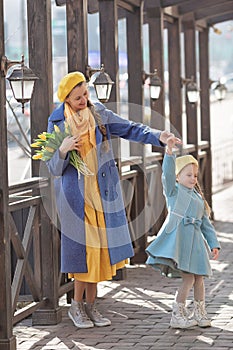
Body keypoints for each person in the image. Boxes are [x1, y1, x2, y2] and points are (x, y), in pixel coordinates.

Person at [46, 71, 178, 329]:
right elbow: (52, 169)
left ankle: (91, 308)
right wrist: (62, 150)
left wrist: (159, 136)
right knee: (82, 259)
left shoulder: (100, 114)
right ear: (67, 100)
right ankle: (76, 308)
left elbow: (131, 128)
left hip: (102, 197)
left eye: (85, 94)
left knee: (98, 256)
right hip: (76, 201)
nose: (84, 100)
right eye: (77, 98)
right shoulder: (57, 124)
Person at [146, 135, 220, 329]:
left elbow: (206, 224)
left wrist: (213, 243)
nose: (193, 178)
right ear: (178, 177)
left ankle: (200, 312)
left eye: (195, 175)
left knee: (199, 279)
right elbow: (166, 175)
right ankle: (177, 313)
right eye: (188, 175)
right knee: (188, 279)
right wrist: (169, 153)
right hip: (181, 242)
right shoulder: (173, 192)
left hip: (196, 244)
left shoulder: (198, 199)